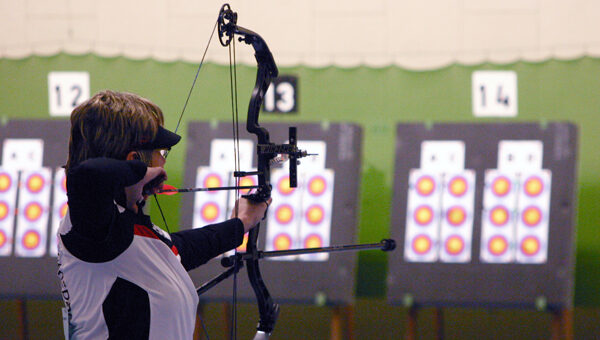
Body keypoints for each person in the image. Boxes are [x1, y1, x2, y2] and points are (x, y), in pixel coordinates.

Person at [56, 90, 269, 339]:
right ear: (134, 158)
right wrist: (141, 171)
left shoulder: (127, 230)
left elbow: (181, 248)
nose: (163, 163)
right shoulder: (91, 230)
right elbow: (85, 177)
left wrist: (241, 222)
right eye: (161, 153)